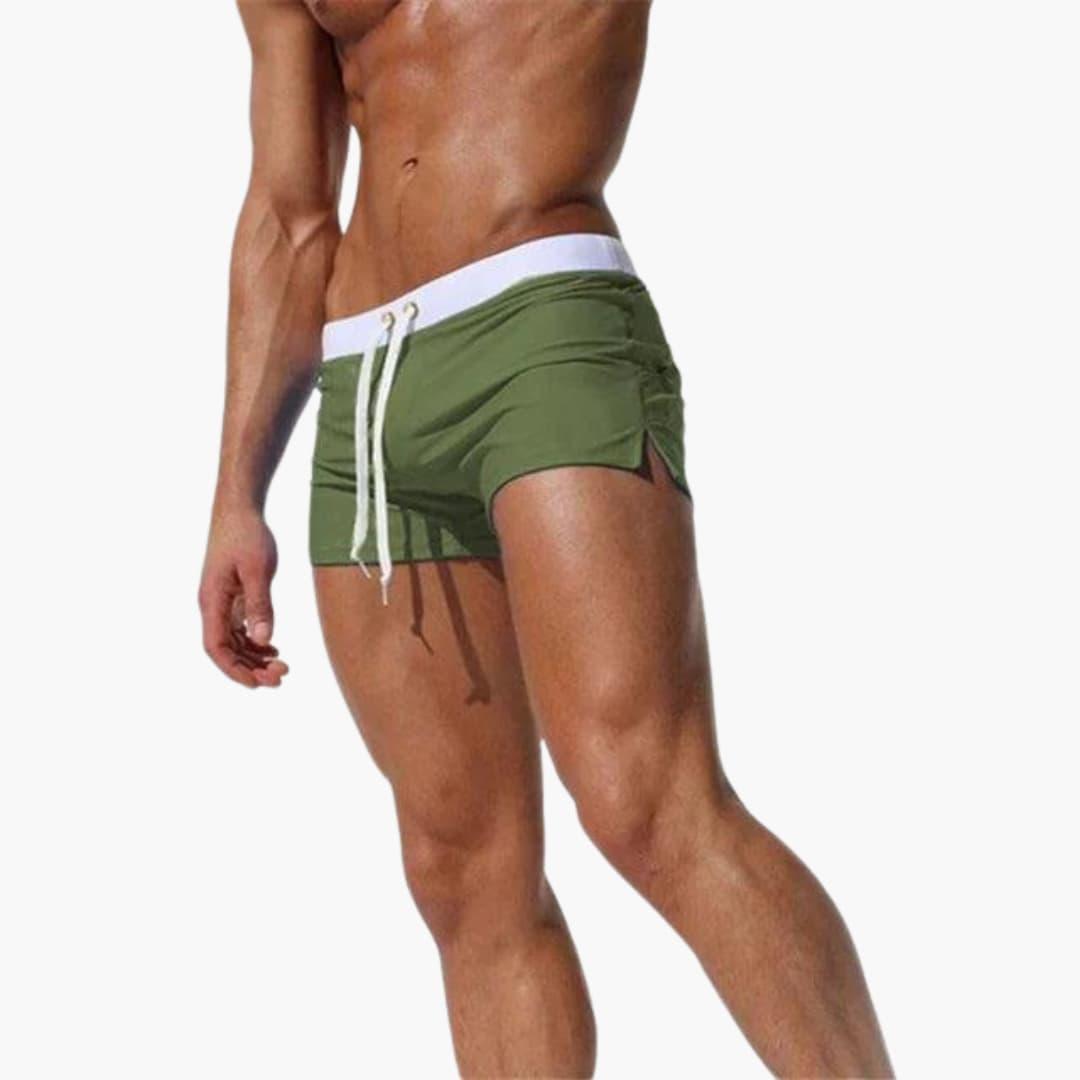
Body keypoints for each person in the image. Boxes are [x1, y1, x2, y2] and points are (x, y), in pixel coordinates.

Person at [199, 1, 894, 1075]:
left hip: (542, 314)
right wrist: (235, 493)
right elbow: (287, 213)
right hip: (368, 387)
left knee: (645, 799)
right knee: (461, 870)